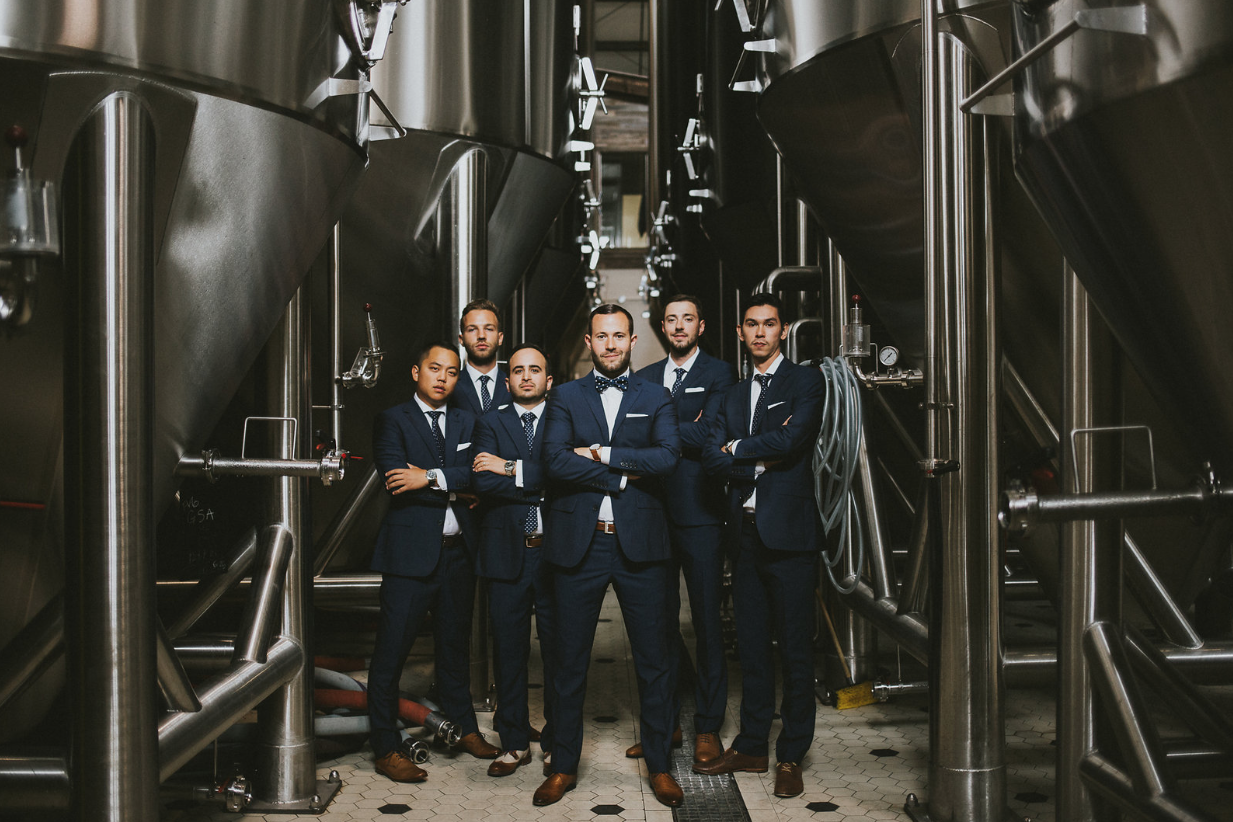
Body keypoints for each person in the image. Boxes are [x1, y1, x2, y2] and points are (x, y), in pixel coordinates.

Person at [533, 304, 685, 808]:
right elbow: (554, 461)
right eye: (602, 337)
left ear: (633, 340)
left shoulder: (656, 395)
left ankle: (660, 766)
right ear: (589, 341)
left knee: (655, 662)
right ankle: (563, 766)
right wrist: (622, 476)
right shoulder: (564, 396)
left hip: (642, 545)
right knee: (568, 662)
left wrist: (599, 454)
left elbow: (668, 457)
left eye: (620, 336)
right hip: (581, 543)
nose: (612, 345)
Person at [695, 293, 825, 799]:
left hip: (790, 536)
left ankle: (790, 753)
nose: (760, 333)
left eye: (769, 324)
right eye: (751, 324)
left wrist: (739, 448)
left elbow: (794, 441)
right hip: (744, 535)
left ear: (783, 330)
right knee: (750, 647)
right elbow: (710, 455)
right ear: (740, 331)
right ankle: (751, 745)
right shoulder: (732, 393)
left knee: (794, 649)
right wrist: (754, 456)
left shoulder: (805, 382)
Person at [367, 341, 501, 784]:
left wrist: (426, 476)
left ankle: (465, 730)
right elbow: (395, 478)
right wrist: (456, 487)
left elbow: (479, 474)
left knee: (454, 649)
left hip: (458, 553)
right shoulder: (393, 419)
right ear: (416, 371)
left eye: (451, 371)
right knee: (391, 654)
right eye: (434, 368)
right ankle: (386, 747)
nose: (442, 377)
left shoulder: (467, 420)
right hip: (409, 557)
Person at [632, 294, 736, 767]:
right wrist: (681, 429)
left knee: (708, 623)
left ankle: (708, 726)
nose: (678, 327)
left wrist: (661, 431)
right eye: (671, 320)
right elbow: (632, 438)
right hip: (652, 513)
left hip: (701, 514)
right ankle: (666, 722)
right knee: (659, 623)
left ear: (701, 326)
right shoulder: (645, 377)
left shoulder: (720, 374)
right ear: (663, 326)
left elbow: (712, 433)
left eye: (687, 319)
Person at [470, 343, 557, 777]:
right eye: (518, 370)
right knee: (508, 651)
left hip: (557, 552)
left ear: (548, 380)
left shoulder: (564, 419)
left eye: (534, 370)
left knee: (560, 651)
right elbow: (481, 483)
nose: (526, 376)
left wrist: (509, 468)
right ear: (507, 382)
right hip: (505, 551)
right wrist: (539, 478)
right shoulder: (489, 422)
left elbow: (568, 475)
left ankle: (558, 742)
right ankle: (514, 741)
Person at [451, 298, 511, 416]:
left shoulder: (515, 385)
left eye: (488, 329)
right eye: (472, 329)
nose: (481, 336)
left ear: (500, 338)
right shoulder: (450, 385)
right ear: (461, 339)